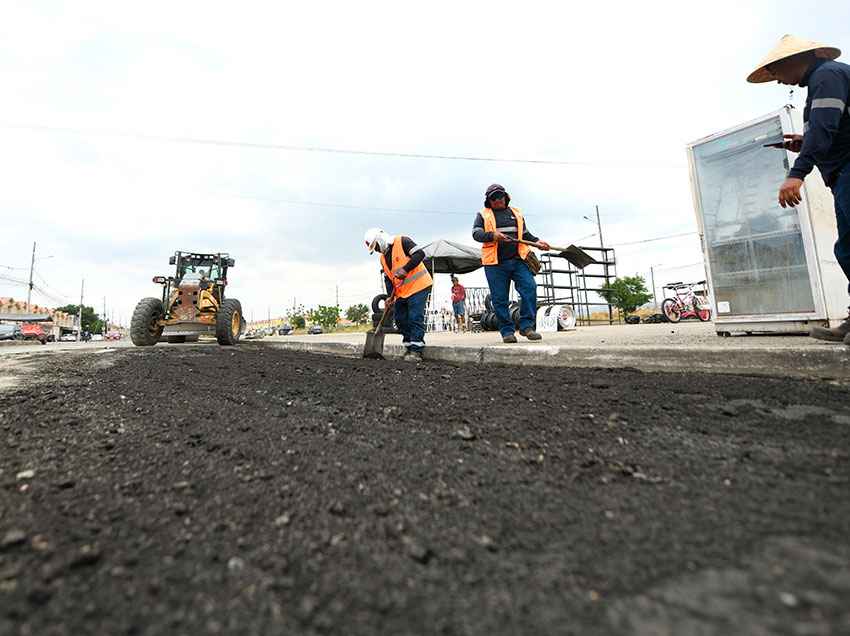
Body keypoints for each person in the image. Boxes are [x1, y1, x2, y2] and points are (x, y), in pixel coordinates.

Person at [749, 34, 850, 343]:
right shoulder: (826, 78)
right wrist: (805, 143)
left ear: (794, 60)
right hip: (841, 173)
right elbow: (834, 129)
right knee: (846, 248)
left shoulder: (827, 75)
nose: (778, 82)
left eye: (776, 73)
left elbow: (824, 129)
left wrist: (797, 173)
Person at [472, 183, 551, 343]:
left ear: (505, 197)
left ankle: (527, 327)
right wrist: (493, 235)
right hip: (495, 264)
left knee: (530, 288)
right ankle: (507, 331)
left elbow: (525, 234)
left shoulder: (516, 213)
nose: (498, 200)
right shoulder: (483, 215)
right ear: (489, 200)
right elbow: (476, 233)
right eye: (494, 198)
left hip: (518, 260)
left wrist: (538, 241)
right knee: (500, 298)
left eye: (500, 196)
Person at [364, 227, 433, 361]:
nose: (377, 250)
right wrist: (390, 296)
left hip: (419, 285)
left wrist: (405, 269)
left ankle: (416, 351)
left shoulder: (403, 241)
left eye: (376, 246)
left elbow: (420, 254)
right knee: (400, 319)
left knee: (414, 317)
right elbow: (389, 279)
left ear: (380, 239)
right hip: (402, 292)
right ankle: (408, 347)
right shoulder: (383, 259)